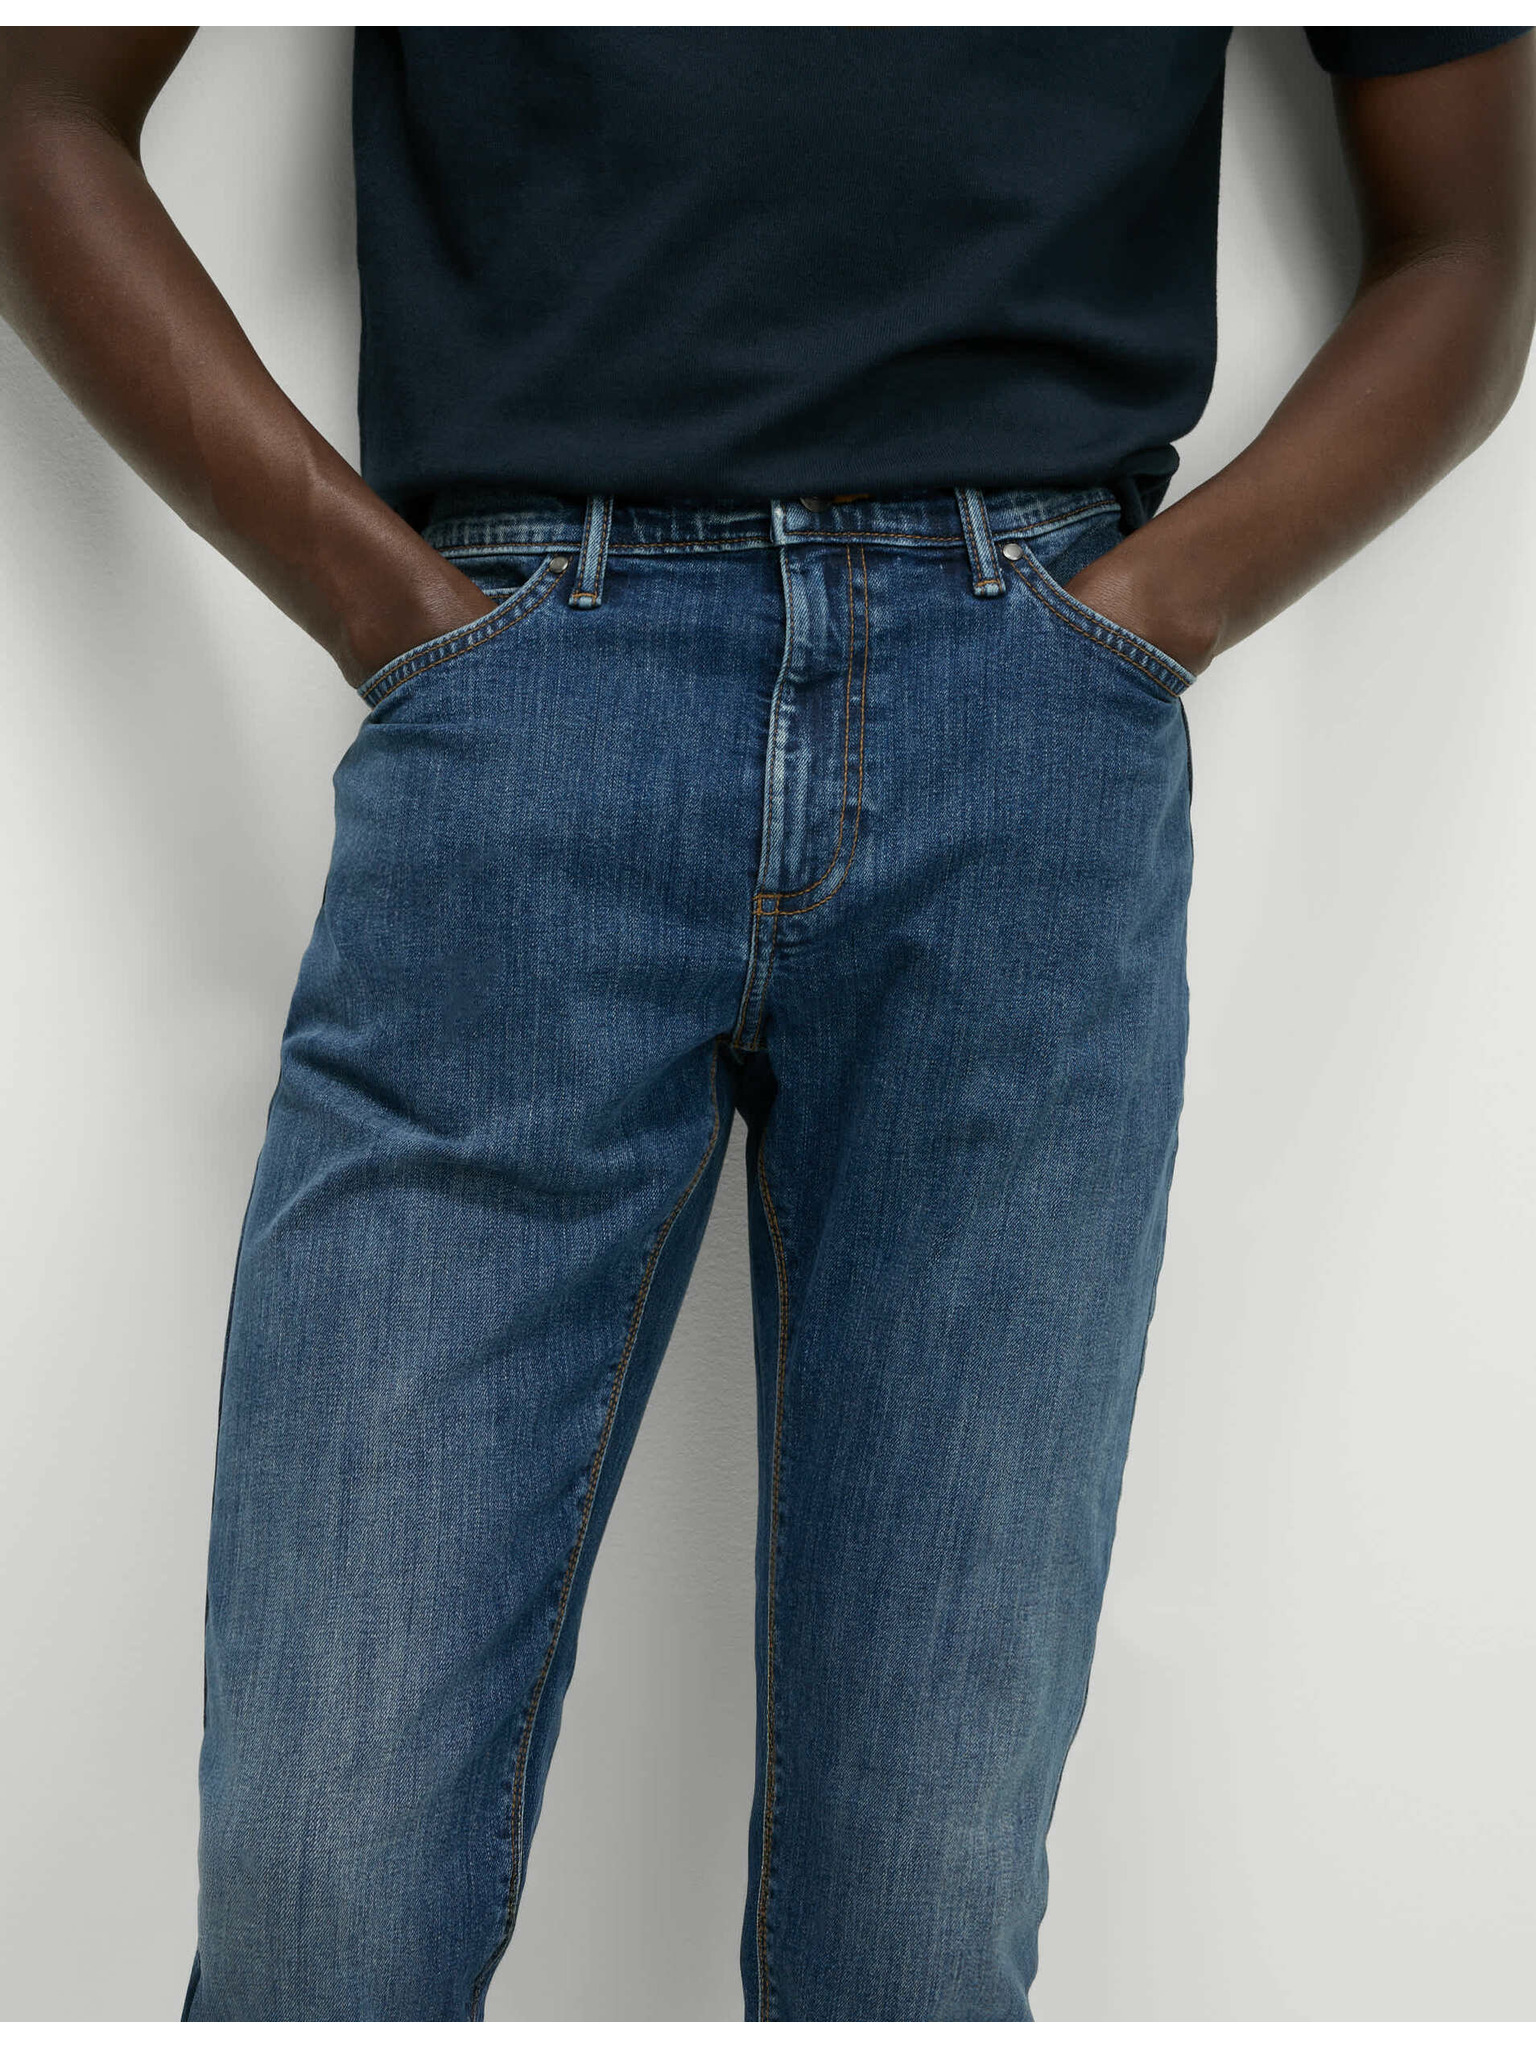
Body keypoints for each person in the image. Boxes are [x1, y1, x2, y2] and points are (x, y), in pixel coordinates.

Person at [1, 24, 1531, 2023]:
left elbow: (1471, 244)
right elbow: (35, 108)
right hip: (528, 713)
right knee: (322, 1884)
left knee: (918, 1902)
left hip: (1020, 735)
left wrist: (1144, 625)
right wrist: (394, 618)